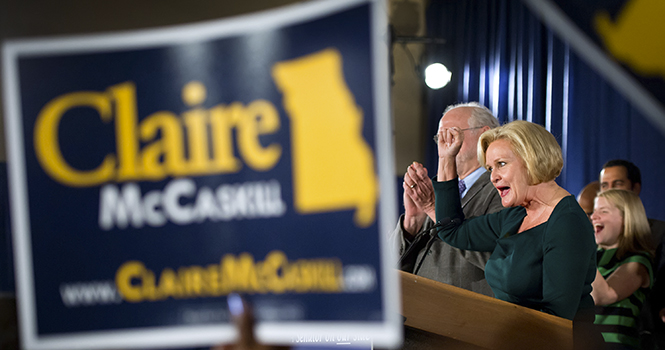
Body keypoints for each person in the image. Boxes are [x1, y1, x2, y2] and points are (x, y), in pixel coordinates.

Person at [426, 119, 600, 348]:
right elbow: (452, 231)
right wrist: (446, 159)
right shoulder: (517, 215)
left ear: (531, 160)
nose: (493, 176)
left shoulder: (567, 223)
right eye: (490, 168)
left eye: (501, 164)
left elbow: (555, 319)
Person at [392, 102, 503, 297]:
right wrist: (412, 222)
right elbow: (390, 265)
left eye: (451, 134)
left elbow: (496, 259)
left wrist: (434, 209)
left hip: (462, 316)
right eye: (439, 137)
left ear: (484, 136)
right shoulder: (433, 191)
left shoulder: (501, 188)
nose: (443, 144)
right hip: (415, 312)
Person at [599, 159, 665, 349]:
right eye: (605, 185)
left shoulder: (659, 232)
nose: (610, 190)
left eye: (618, 184)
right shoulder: (596, 238)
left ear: (635, 188)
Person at [591, 189, 654, 349]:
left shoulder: (638, 261)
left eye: (603, 211)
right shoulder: (593, 257)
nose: (593, 217)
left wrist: (580, 249)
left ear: (627, 218)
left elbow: (603, 295)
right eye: (594, 211)